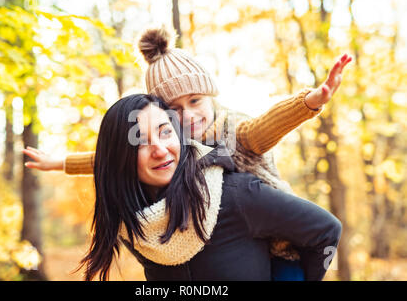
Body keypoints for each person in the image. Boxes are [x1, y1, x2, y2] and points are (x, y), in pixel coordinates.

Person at [23, 26, 352, 279]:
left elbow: (264, 128)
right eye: (174, 110)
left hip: (283, 245)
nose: (189, 115)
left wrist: (310, 102)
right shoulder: (171, 146)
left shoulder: (231, 132)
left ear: (209, 95)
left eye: (195, 101)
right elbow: (115, 159)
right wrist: (61, 162)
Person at [78, 93, 342, 281]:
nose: (159, 150)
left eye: (165, 132)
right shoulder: (133, 223)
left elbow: (326, 230)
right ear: (119, 158)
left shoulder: (237, 195)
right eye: (140, 143)